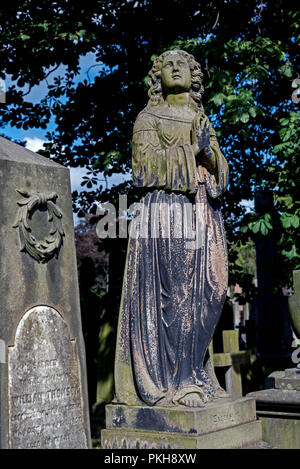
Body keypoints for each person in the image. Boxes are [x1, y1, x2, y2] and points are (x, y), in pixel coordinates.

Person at [114, 50, 229, 407]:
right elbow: (143, 170)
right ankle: (181, 381)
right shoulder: (148, 118)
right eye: (168, 64)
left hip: (203, 211)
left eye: (184, 64)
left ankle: (195, 371)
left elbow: (221, 173)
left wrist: (208, 154)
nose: (176, 68)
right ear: (158, 77)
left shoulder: (201, 117)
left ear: (195, 76)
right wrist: (192, 148)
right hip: (168, 210)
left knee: (214, 288)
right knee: (179, 292)